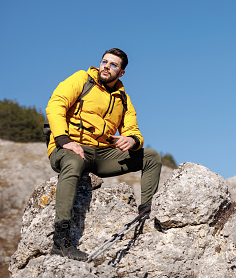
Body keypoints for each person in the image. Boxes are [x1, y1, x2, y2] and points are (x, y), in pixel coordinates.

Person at [45, 48, 162, 261]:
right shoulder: (82, 79)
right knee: (72, 161)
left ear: (122, 72)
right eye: (104, 62)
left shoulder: (123, 99)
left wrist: (133, 140)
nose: (106, 66)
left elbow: (133, 130)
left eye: (113, 64)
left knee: (151, 156)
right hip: (68, 147)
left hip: (100, 154)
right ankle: (60, 241)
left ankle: (145, 213)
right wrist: (64, 140)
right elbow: (55, 104)